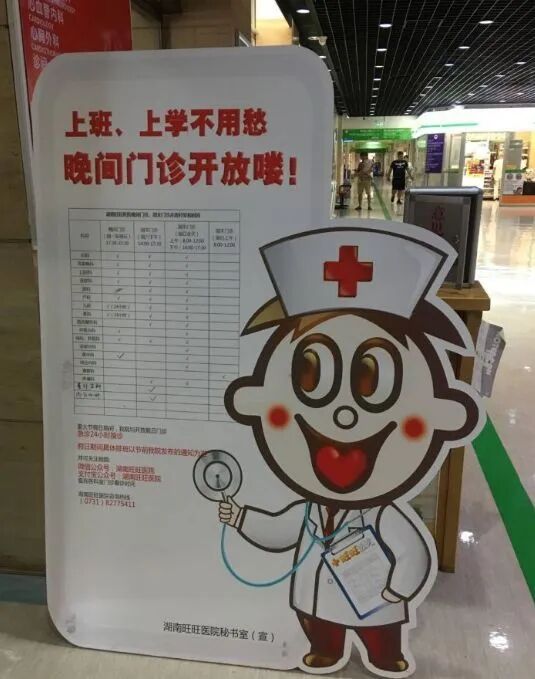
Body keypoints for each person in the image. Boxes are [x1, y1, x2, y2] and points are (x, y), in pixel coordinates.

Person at [217, 226, 481, 676]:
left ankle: (384, 654)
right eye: (311, 377)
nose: (342, 415)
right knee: (319, 626)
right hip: (315, 600)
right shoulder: (308, 508)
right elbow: (282, 531)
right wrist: (240, 517)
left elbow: (412, 551)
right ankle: (325, 648)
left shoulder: (381, 514)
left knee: (380, 634)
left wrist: (398, 590)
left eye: (372, 382)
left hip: (376, 601)